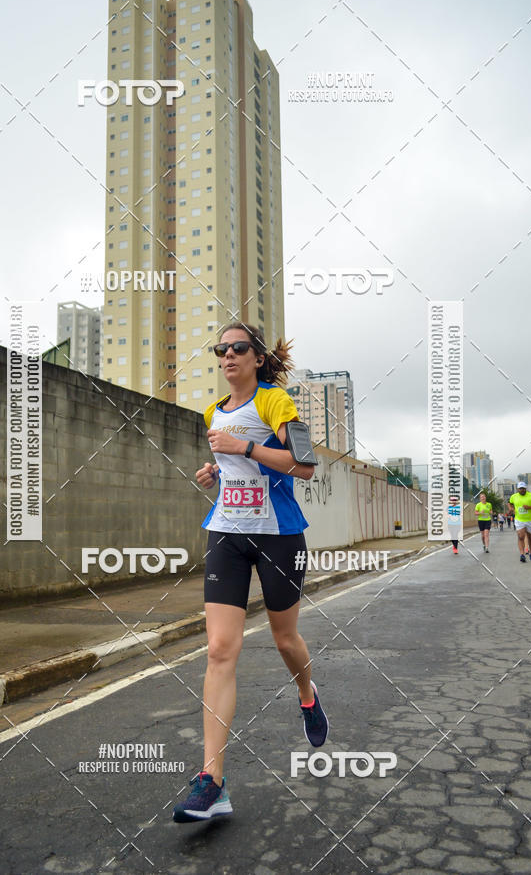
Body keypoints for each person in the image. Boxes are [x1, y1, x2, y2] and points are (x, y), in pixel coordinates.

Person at [173, 323, 329, 824]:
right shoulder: (213, 412)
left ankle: (307, 695)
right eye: (220, 349)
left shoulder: (275, 402)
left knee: (286, 641)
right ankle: (211, 782)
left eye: (238, 347)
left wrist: (244, 450)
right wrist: (215, 474)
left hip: (279, 536)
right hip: (227, 534)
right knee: (220, 649)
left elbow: (304, 467)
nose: (227, 355)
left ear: (257, 357)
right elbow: (238, 472)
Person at [509, 482, 531, 562]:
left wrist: (529, 507)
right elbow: (510, 503)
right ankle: (522, 554)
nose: (522, 490)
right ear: (518, 489)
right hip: (519, 520)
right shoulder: (513, 496)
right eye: (520, 488)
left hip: (530, 520)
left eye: (523, 488)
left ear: (525, 488)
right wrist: (511, 508)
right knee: (520, 536)